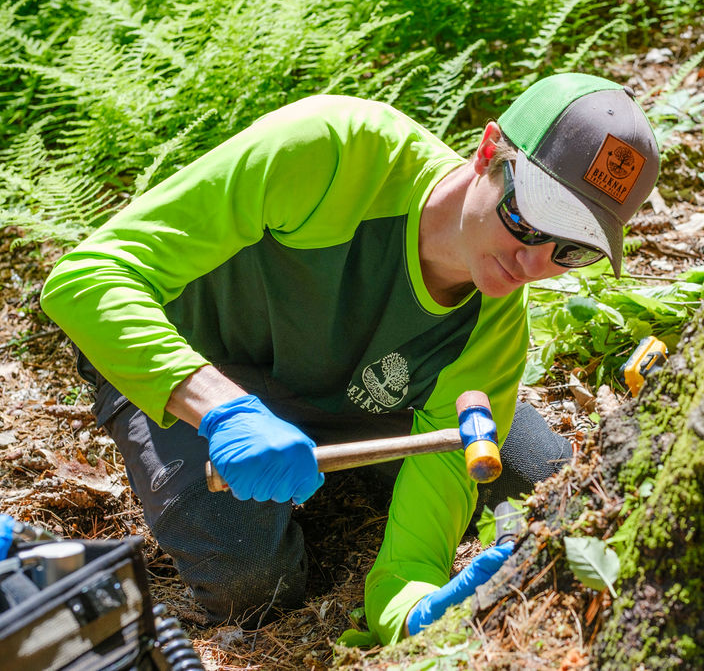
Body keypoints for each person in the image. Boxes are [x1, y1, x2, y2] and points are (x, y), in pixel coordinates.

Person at [40, 73, 660, 643]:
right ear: (488, 152)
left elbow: (411, 565)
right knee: (254, 585)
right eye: (529, 220)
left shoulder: (492, 330)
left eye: (570, 249)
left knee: (556, 482)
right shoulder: (331, 152)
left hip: (347, 394)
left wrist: (419, 609)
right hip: (190, 361)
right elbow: (85, 279)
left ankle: (317, 468)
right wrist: (224, 411)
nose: (532, 263)